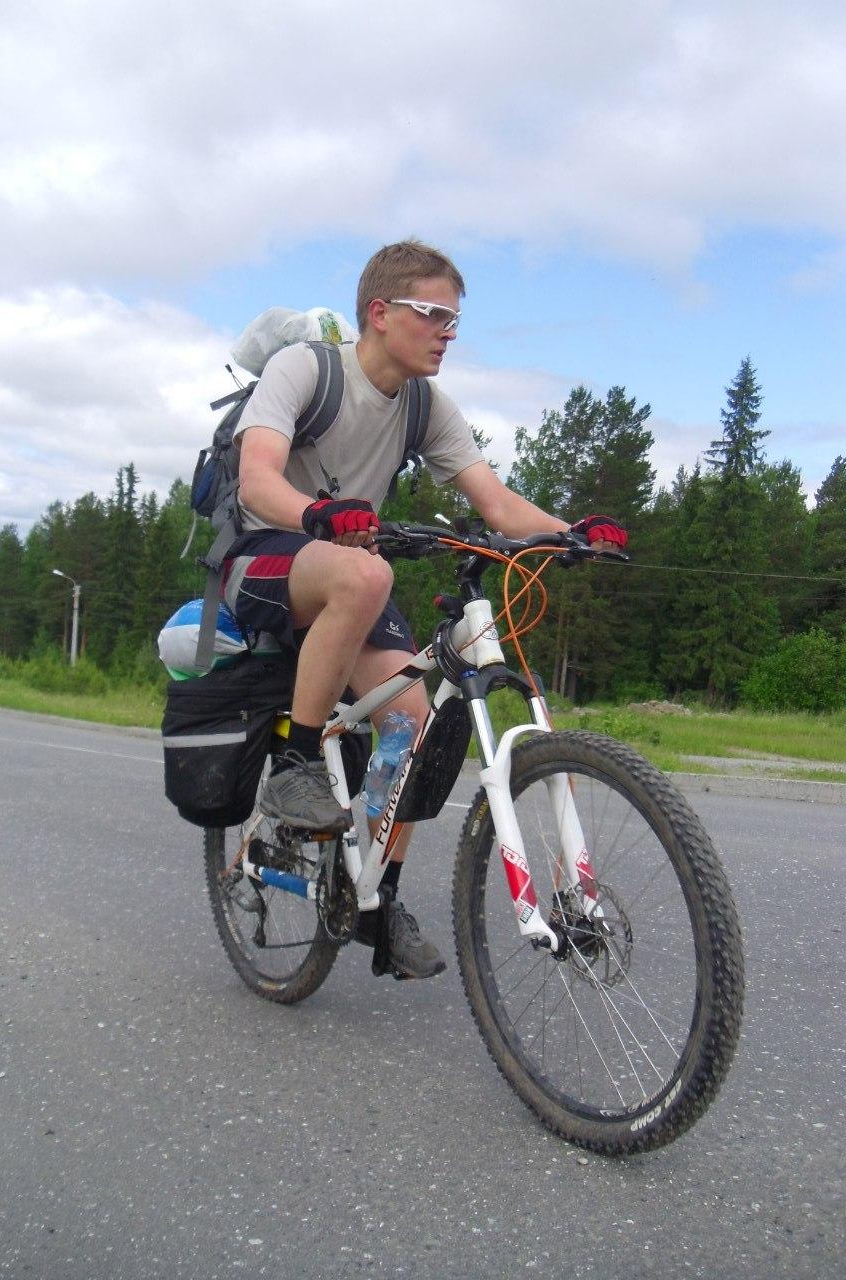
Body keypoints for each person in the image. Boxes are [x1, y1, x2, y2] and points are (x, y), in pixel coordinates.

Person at [222, 240, 627, 979]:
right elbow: (256, 480)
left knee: (412, 718)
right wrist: (317, 515)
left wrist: (571, 533)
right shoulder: (307, 370)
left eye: (454, 320)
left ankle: (378, 902)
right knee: (367, 573)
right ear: (380, 313)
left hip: (347, 568)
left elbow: (496, 504)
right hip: (263, 557)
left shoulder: (424, 406)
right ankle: (294, 761)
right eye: (433, 314)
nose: (448, 332)